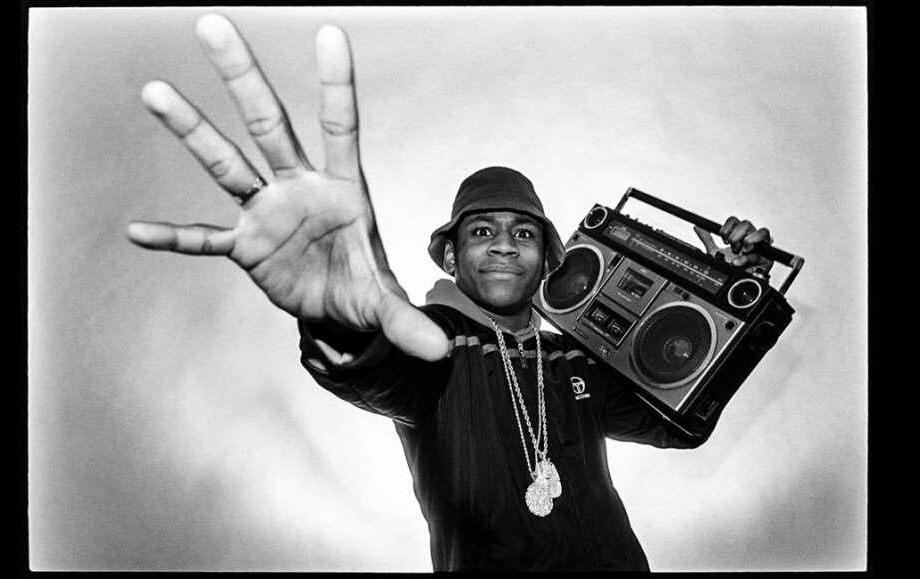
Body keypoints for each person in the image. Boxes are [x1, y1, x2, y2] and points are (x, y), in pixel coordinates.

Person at [127, 13, 774, 571]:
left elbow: (678, 422)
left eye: (523, 232)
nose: (502, 244)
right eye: (482, 231)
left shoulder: (574, 358)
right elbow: (371, 369)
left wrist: (723, 291)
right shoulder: (430, 341)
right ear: (452, 254)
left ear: (548, 258)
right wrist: (334, 317)